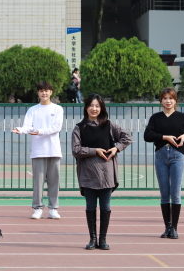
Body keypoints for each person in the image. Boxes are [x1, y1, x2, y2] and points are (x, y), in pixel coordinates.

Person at [72, 93, 132, 250]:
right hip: (88, 174)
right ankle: (92, 239)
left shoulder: (109, 125)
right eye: (91, 105)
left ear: (102, 108)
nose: (94, 109)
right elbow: (76, 150)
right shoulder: (79, 128)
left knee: (105, 207)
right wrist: (95, 150)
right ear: (86, 107)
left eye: (97, 106)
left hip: (106, 174)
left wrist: (116, 148)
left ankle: (103, 240)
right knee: (90, 206)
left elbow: (127, 138)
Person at [143, 88, 184, 239]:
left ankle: (174, 228)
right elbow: (147, 135)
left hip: (178, 156)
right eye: (165, 98)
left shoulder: (183, 117)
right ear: (161, 101)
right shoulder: (156, 118)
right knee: (164, 194)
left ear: (175, 100)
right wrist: (165, 137)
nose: (168, 101)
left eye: (171, 98)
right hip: (161, 156)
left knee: (175, 194)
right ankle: (167, 227)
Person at [12, 81, 64, 219]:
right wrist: (20, 130)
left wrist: (40, 131)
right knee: (38, 182)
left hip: (53, 150)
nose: (44, 93)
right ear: (38, 93)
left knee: (54, 181)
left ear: (51, 92)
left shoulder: (58, 109)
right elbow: (28, 126)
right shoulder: (33, 110)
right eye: (41, 91)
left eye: (46, 90)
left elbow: (56, 128)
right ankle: (38, 208)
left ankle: (53, 209)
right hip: (38, 151)